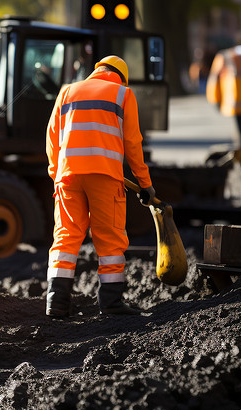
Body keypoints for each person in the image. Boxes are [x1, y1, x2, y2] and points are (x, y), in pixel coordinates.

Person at [45, 55, 155, 317]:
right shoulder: (123, 94)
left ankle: (56, 302)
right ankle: (111, 302)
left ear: (97, 71)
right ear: (121, 77)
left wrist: (56, 174)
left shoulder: (67, 91)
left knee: (66, 236)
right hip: (105, 178)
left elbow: (52, 138)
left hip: (68, 176)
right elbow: (133, 144)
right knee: (110, 238)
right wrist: (145, 184)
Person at [206, 35, 241, 149]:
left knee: (239, 118)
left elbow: (215, 77)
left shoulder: (226, 55)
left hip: (233, 94)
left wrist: (214, 97)